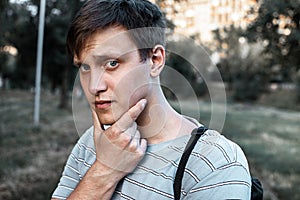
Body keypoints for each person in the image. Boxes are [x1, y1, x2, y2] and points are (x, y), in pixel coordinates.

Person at [51, 0, 251, 199]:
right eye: (85, 67)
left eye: (112, 63)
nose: (94, 86)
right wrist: (104, 171)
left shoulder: (214, 163)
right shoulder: (92, 141)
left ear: (155, 61)